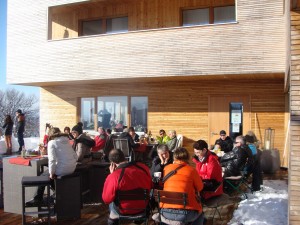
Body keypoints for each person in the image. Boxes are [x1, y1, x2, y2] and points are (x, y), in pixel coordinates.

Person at [26, 127, 77, 206]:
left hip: (63, 169)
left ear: (51, 135)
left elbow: (52, 160)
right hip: (72, 168)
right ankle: (58, 193)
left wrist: (51, 173)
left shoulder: (52, 142)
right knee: (51, 175)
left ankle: (38, 198)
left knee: (44, 176)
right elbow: (75, 156)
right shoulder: (67, 142)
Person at [102, 149, 152, 225]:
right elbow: (151, 185)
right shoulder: (143, 167)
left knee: (111, 202)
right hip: (142, 208)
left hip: (123, 210)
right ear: (124, 157)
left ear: (113, 164)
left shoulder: (114, 176)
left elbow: (106, 199)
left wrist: (111, 174)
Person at [160, 147, 204, 225]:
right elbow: (200, 188)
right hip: (185, 213)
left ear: (174, 157)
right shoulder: (191, 170)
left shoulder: (166, 168)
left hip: (165, 211)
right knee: (200, 213)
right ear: (187, 158)